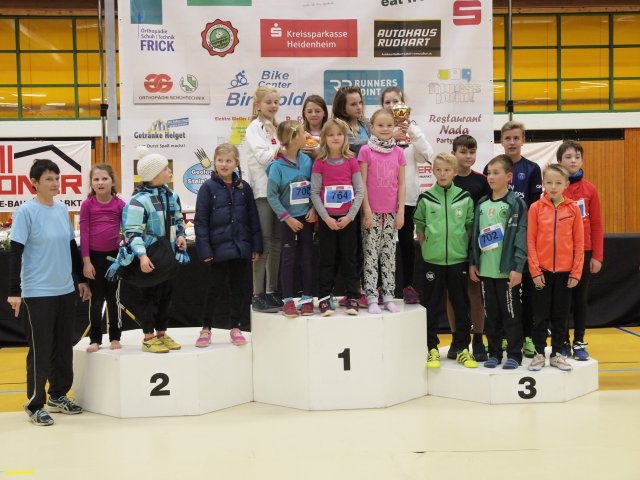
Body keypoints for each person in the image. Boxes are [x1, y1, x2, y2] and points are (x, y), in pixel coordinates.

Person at [7, 159, 91, 426]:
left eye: (57, 178)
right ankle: (35, 404)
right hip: (37, 292)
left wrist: (80, 279)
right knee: (41, 349)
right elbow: (15, 253)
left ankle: (58, 395)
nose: (55, 183)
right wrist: (14, 291)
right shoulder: (25, 212)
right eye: (49, 179)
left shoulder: (62, 209)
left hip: (65, 290)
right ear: (34, 183)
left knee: (64, 346)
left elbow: (71, 246)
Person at [107, 146, 189, 353]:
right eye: (165, 169)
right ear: (154, 175)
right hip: (150, 256)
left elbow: (178, 220)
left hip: (168, 255)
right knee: (149, 296)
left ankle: (161, 333)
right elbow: (132, 232)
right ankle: (148, 336)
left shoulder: (172, 195)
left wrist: (180, 235)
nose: (170, 171)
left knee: (166, 296)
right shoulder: (138, 201)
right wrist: (142, 256)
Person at [194, 144, 262, 347]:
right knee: (213, 289)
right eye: (220, 160)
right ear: (214, 162)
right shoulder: (207, 188)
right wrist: (205, 250)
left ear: (236, 163)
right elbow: (201, 221)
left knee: (239, 289)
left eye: (228, 161)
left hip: (241, 249)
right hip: (217, 250)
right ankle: (206, 328)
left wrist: (256, 246)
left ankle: (236, 326)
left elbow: (253, 218)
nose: (224, 164)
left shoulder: (244, 188)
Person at [485, 121, 542, 359]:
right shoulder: (493, 166)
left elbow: (536, 206)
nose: (512, 142)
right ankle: (502, 337)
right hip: (499, 243)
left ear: (523, 140)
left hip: (524, 237)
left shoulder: (532, 169)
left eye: (516, 138)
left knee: (525, 291)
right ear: (501, 141)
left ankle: (526, 336)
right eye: (507, 138)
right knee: (500, 295)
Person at [413, 152, 476, 369]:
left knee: (461, 305)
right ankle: (431, 348)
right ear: (433, 171)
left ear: (455, 172)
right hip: (433, 261)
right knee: (431, 305)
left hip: (458, 261)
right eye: (438, 170)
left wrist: (460, 247)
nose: (442, 174)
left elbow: (469, 227)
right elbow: (420, 227)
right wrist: (427, 248)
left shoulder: (464, 198)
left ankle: (462, 348)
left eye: (447, 170)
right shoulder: (426, 198)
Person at [469, 155, 527, 369]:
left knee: (511, 314)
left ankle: (514, 354)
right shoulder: (482, 204)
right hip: (486, 271)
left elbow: (521, 236)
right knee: (490, 315)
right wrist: (473, 262)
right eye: (488, 173)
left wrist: (517, 267)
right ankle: (494, 353)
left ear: (509, 177)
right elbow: (475, 236)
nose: (490, 177)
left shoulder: (516, 203)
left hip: (507, 272)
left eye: (496, 173)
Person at [527, 164, 584, 371]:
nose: (553, 187)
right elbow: (530, 241)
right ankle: (538, 353)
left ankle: (557, 353)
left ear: (566, 184)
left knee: (561, 316)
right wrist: (535, 270)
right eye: (549, 182)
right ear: (543, 183)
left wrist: (576, 272)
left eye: (558, 183)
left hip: (565, 273)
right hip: (541, 272)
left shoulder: (573, 209)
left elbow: (579, 243)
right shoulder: (536, 208)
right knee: (540, 316)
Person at [380, 86, 434, 305]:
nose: (392, 106)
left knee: (406, 243)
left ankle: (408, 286)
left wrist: (411, 129)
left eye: (396, 102)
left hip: (408, 197)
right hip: (382, 197)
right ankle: (381, 286)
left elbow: (427, 155)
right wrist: (389, 136)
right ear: (382, 105)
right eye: (387, 102)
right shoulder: (378, 130)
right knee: (382, 243)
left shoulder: (413, 129)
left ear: (404, 105)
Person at [310, 118, 364, 316]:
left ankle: (352, 297)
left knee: (350, 259)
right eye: (331, 134)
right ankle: (324, 297)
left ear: (345, 137)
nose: (335, 138)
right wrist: (326, 218)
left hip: (348, 220)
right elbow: (315, 192)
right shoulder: (320, 163)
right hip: (328, 221)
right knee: (327, 259)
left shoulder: (351, 161)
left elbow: (359, 191)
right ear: (324, 137)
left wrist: (350, 216)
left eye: (339, 134)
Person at [556, 140, 603, 360]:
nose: (573, 161)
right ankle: (563, 341)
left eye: (577, 157)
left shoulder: (590, 189)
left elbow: (596, 224)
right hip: (560, 253)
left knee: (580, 299)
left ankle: (579, 342)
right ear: (559, 161)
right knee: (562, 299)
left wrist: (597, 256)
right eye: (568, 157)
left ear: (582, 160)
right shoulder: (555, 188)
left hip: (583, 252)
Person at [266, 120, 317, 317]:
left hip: (306, 217)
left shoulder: (307, 160)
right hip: (288, 220)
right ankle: (287, 299)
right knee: (288, 259)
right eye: (303, 133)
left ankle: (307, 298)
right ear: (293, 138)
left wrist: (313, 208)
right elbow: (272, 196)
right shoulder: (277, 166)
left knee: (307, 257)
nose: (307, 136)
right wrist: (287, 218)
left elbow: (315, 187)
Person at [358, 109, 405, 314]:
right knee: (370, 254)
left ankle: (388, 295)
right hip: (372, 211)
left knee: (388, 254)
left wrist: (401, 211)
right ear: (372, 127)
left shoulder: (399, 152)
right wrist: (366, 210)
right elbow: (362, 183)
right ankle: (371, 296)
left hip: (391, 212)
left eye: (389, 125)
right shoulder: (365, 151)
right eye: (380, 125)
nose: (385, 129)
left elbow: (401, 184)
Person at [450, 134, 491, 361]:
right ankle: (457, 339)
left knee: (475, 293)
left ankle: (478, 339)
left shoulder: (482, 181)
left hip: (475, 247)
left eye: (472, 152)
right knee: (452, 294)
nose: (468, 156)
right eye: (463, 152)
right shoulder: (447, 180)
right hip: (451, 247)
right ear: (454, 153)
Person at [80, 163, 125, 353]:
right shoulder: (87, 204)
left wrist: (124, 253)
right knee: (96, 300)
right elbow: (84, 234)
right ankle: (95, 339)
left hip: (114, 258)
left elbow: (127, 230)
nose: (100, 182)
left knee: (113, 298)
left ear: (112, 182)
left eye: (105, 178)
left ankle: (115, 336)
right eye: (96, 179)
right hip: (94, 258)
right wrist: (86, 262)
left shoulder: (120, 204)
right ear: (91, 183)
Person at [245, 85, 282, 313]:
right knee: (265, 243)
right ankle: (257, 294)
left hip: (279, 191)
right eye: (269, 102)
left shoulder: (276, 127)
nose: (273, 106)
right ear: (258, 105)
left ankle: (271, 291)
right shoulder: (254, 128)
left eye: (276, 102)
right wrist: (284, 148)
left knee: (277, 242)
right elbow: (262, 157)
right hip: (262, 191)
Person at [332, 85, 371, 156]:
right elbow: (355, 145)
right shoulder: (339, 125)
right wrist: (379, 142)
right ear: (342, 107)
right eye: (353, 104)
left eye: (360, 102)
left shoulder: (366, 123)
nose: (359, 107)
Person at [301, 94, 328, 160]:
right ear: (305, 113)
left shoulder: (331, 132)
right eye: (309, 112)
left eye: (317, 111)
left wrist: (317, 155)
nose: (313, 114)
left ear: (324, 113)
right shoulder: (298, 131)